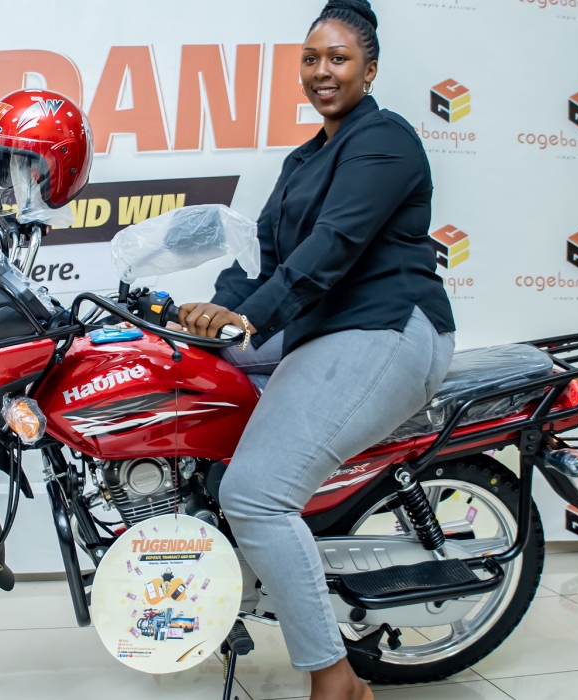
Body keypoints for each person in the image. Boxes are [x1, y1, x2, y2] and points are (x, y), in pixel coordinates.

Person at [171, 2, 456, 699]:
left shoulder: (386, 140)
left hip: (384, 329)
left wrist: (246, 317)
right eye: (310, 59)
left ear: (370, 71)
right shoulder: (303, 159)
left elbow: (332, 248)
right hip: (319, 329)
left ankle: (336, 677)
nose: (321, 71)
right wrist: (206, 317)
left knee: (255, 495)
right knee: (171, 369)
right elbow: (261, 258)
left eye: (338, 58)